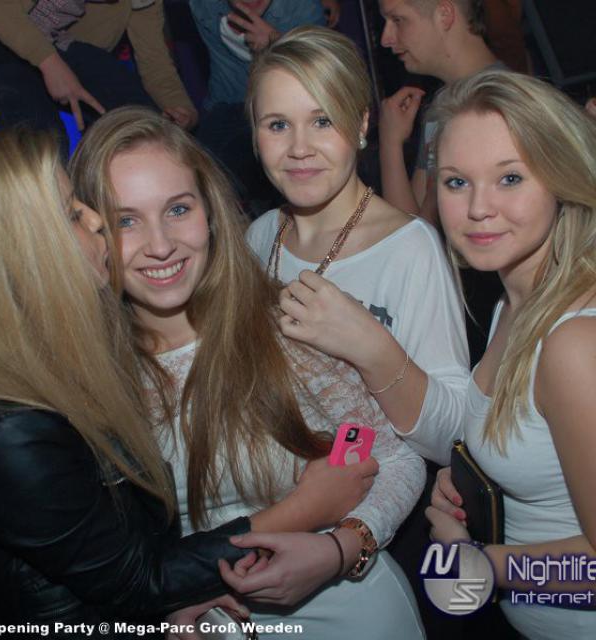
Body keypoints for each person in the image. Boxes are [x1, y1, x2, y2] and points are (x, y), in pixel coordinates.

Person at [0, 128, 347, 634]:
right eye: (73, 214)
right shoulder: (6, 425)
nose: (95, 220)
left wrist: (349, 541)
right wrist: (305, 509)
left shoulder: (60, 361)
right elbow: (136, 579)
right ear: (20, 252)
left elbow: (123, 557)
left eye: (178, 209)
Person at [70, 105, 427, 640]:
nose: (161, 245)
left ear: (210, 212)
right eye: (126, 221)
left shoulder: (286, 327)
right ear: (89, 233)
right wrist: (163, 607)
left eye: (178, 209)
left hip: (349, 610)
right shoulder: (86, 378)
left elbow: (390, 457)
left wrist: (340, 547)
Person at [245, 25, 468, 466]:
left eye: (322, 121)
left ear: (362, 123)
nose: (299, 148)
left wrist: (372, 349)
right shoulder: (261, 236)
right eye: (278, 125)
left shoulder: (408, 248)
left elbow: (454, 438)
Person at [425, 70, 596, 639]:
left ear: (561, 177)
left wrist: (475, 565)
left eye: (510, 178)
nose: (478, 208)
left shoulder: (574, 343)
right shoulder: (509, 303)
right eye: (456, 182)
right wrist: (473, 483)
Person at [0, 0, 196, 158]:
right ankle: (46, 212)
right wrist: (48, 62)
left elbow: (155, 61)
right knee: (45, 137)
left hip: (60, 43)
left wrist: (179, 107)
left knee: (142, 120)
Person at [188, 0, 325, 214]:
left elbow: (326, 78)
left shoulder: (302, 8)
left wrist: (278, 44)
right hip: (227, 105)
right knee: (202, 179)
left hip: (288, 108)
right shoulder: (204, 5)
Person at [377, 0, 502, 222]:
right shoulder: (443, 103)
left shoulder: (497, 106)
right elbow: (411, 228)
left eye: (397, 20)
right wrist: (391, 143)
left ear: (444, 15)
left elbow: (415, 235)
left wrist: (389, 144)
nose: (386, 39)